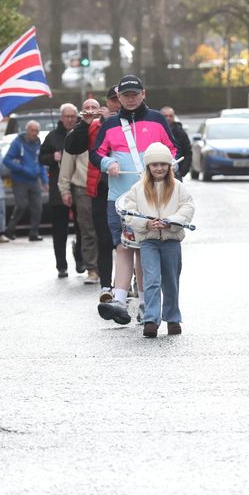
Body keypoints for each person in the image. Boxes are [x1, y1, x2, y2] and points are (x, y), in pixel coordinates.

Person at [91, 75, 179, 325]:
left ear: (143, 94)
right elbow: (96, 154)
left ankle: (144, 304)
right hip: (118, 197)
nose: (130, 99)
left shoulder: (157, 119)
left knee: (143, 249)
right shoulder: (108, 125)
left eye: (134, 94)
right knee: (122, 246)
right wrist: (108, 162)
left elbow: (173, 150)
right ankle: (119, 299)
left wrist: (166, 164)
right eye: (125, 95)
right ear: (118, 98)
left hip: (150, 197)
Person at [118, 142, 195, 338]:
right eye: (154, 165)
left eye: (163, 164)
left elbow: (187, 208)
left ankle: (173, 318)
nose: (159, 168)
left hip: (171, 240)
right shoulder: (137, 188)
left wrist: (171, 222)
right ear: (148, 167)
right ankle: (151, 319)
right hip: (148, 241)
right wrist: (146, 224)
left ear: (170, 166)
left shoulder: (178, 187)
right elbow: (129, 212)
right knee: (151, 279)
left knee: (171, 280)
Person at [65, 87, 121, 297]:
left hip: (129, 189)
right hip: (101, 189)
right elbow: (72, 146)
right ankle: (106, 285)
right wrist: (85, 122)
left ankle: (130, 283)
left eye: (121, 99)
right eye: (114, 100)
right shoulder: (96, 125)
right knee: (104, 238)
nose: (118, 104)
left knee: (131, 241)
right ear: (108, 103)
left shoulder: (133, 122)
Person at [58, 100, 101, 284]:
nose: (91, 111)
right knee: (87, 229)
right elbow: (67, 165)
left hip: (104, 186)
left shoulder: (106, 129)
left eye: (94, 107)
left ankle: (108, 267)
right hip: (83, 188)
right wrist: (64, 189)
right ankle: (92, 268)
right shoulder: (76, 134)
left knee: (108, 230)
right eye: (87, 108)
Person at [40, 103, 82, 278]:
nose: (70, 120)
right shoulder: (52, 137)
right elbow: (41, 158)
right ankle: (61, 265)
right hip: (58, 190)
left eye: (73, 116)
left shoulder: (81, 133)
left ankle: (80, 258)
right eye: (67, 116)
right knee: (59, 230)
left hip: (79, 186)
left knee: (82, 228)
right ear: (61, 118)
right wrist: (52, 157)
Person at [3, 120, 47, 241]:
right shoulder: (18, 143)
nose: (35, 133)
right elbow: (6, 160)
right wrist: (22, 168)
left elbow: (41, 162)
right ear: (27, 131)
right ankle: (10, 230)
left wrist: (45, 180)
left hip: (34, 180)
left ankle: (34, 233)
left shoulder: (38, 142)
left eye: (37, 131)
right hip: (20, 180)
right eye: (32, 130)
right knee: (21, 205)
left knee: (38, 207)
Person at [161, 107, 192, 180]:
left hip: (176, 172)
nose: (168, 118)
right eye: (165, 116)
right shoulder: (156, 131)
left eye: (170, 116)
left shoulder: (181, 133)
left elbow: (187, 152)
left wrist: (183, 171)